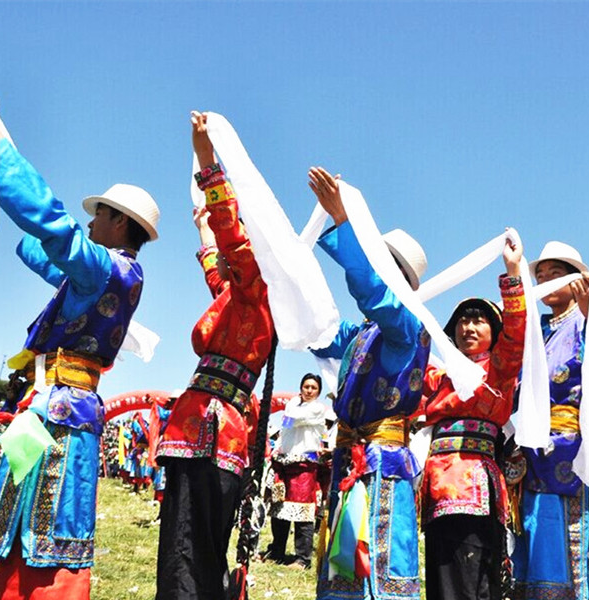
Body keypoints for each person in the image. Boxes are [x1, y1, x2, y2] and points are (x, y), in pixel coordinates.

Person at [0, 89, 160, 600]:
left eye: (98, 216)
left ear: (118, 224)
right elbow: (37, 245)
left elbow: (56, 231)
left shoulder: (106, 269)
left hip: (64, 411)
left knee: (51, 530)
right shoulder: (96, 275)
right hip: (50, 405)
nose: (89, 222)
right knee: (25, 522)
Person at [155, 112, 275, 600]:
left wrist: (207, 162)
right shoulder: (234, 296)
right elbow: (215, 259)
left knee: (195, 542)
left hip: (215, 427)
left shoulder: (257, 292)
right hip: (196, 424)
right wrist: (204, 230)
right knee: (182, 540)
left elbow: (231, 241)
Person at [308, 166, 430, 600]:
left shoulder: (405, 325)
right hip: (351, 459)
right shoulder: (362, 333)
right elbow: (317, 329)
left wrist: (345, 223)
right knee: (344, 574)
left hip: (382, 463)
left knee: (380, 572)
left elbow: (372, 293)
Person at [421, 238, 525, 600]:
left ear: (494, 334)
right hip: (436, 487)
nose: (469, 326)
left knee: (472, 584)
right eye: (463, 320)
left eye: (479, 320)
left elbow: (516, 334)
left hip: (474, 490)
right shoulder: (437, 377)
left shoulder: (498, 369)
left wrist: (513, 274)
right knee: (441, 582)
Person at [513, 241, 589, 600]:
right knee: (536, 531)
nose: (546, 281)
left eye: (556, 274)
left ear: (575, 282)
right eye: (540, 275)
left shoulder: (588, 323)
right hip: (532, 450)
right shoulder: (536, 330)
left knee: (572, 540)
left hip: (572, 449)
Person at [262, 373, 327, 569]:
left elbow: (294, 418)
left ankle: (302, 558)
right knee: (279, 510)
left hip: (305, 465)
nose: (309, 390)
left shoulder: (317, 408)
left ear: (318, 392)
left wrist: (291, 407)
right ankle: (277, 551)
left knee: (303, 513)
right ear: (301, 388)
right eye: (306, 386)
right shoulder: (293, 405)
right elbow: (286, 428)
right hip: (285, 462)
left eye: (313, 388)